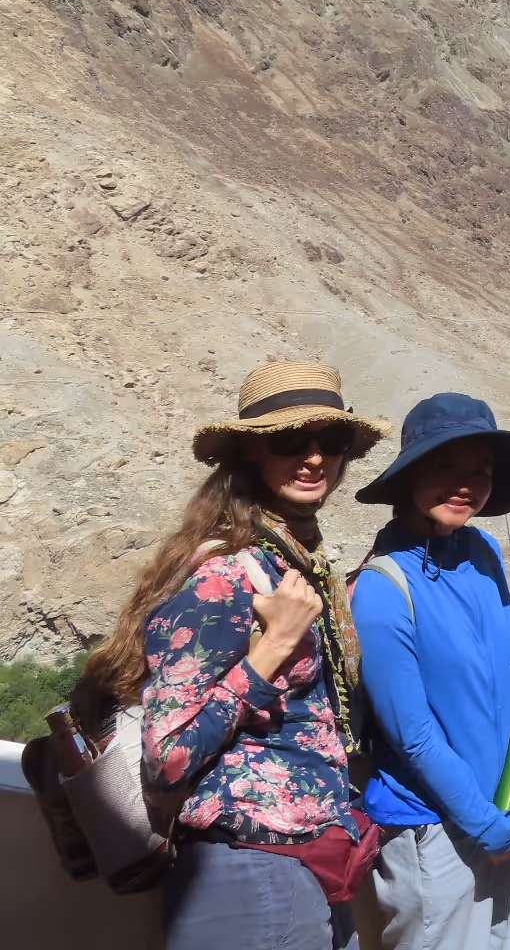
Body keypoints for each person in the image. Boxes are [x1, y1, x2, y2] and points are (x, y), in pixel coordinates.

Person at [79, 361, 391, 950]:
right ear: (250, 453)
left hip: (305, 858)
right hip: (250, 865)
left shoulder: (296, 564)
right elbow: (168, 758)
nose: (314, 458)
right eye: (290, 440)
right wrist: (271, 649)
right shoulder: (223, 576)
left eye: (331, 440)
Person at [350, 393, 510, 950]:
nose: (465, 484)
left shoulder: (483, 554)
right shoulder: (383, 586)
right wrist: (490, 827)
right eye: (444, 465)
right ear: (411, 473)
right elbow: (412, 735)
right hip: (434, 834)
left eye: (480, 470)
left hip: (505, 811)